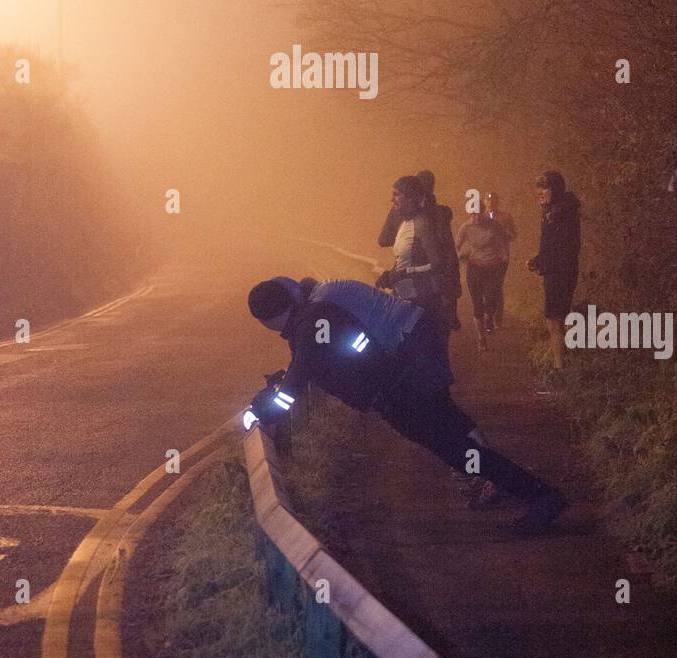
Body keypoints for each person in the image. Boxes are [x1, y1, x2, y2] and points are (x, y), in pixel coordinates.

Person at [245, 276, 567, 535]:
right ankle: (530, 492)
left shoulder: (312, 320)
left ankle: (538, 496)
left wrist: (264, 410)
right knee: (454, 432)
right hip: (409, 365)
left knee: (452, 446)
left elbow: (299, 376)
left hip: (400, 384)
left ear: (270, 319)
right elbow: (310, 362)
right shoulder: (317, 310)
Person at [375, 175, 447, 334]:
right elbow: (405, 261)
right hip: (406, 299)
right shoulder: (404, 224)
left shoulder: (421, 224)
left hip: (423, 303)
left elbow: (438, 264)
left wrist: (404, 273)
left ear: (410, 198)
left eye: (396, 194)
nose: (391, 199)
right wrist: (390, 275)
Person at [527, 170, 581, 376]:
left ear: (555, 189)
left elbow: (563, 246)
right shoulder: (558, 209)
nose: (540, 192)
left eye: (545, 187)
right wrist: (538, 261)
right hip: (560, 269)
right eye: (538, 187)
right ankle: (565, 363)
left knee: (554, 319)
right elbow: (550, 246)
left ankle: (559, 368)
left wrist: (543, 262)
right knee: (560, 317)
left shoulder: (557, 213)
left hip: (560, 271)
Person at [456, 201, 511, 349]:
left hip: (493, 268)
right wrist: (461, 256)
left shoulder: (494, 225)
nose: (476, 217)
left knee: (491, 300)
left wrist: (504, 257)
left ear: (484, 211)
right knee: (477, 305)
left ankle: (489, 317)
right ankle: (481, 339)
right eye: (473, 214)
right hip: (475, 269)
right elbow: (457, 246)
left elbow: (504, 242)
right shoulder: (466, 227)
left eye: (479, 213)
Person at [417, 170, 462, 332]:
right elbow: (448, 248)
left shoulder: (416, 215)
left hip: (427, 274)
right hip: (442, 272)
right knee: (441, 324)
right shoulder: (442, 212)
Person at [485, 190, 516, 327]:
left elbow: (514, 235)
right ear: (484, 201)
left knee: (496, 287)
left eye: (493, 200)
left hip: (500, 257)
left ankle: (497, 319)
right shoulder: (479, 217)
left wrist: (505, 232)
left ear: (497, 201)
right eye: (488, 199)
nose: (490, 202)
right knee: (486, 287)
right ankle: (489, 316)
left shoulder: (505, 217)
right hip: (483, 258)